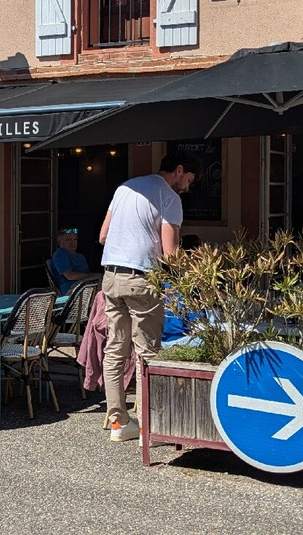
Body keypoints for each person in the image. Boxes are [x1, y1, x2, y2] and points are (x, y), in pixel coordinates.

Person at [98, 151, 199, 443]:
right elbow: (171, 254)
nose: (188, 187)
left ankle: (118, 423)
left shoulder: (125, 188)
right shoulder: (170, 198)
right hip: (142, 279)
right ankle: (147, 426)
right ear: (179, 170)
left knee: (116, 348)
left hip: (111, 275)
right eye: (189, 180)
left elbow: (103, 235)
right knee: (147, 351)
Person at [49, 228, 95, 294]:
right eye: (68, 240)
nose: (72, 243)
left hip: (86, 286)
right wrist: (92, 275)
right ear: (60, 242)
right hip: (71, 290)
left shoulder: (80, 256)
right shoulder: (60, 254)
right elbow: (70, 276)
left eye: (75, 239)